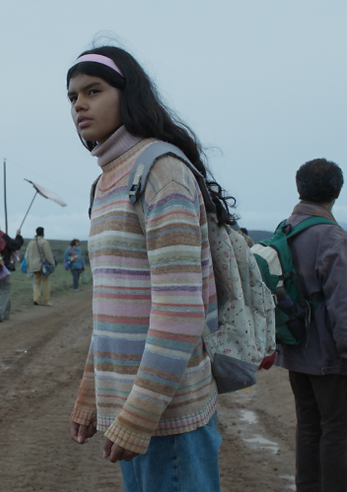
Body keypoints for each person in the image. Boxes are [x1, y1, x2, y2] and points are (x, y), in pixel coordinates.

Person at [66, 46, 238, 492]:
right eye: (72, 97)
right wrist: (91, 395)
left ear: (129, 95)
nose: (79, 104)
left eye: (93, 90)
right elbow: (110, 308)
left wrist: (139, 416)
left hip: (170, 415)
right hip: (132, 409)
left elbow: (181, 312)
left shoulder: (160, 171)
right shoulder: (107, 179)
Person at [274, 158, 347, 492]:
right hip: (328, 358)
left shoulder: (285, 229)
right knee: (338, 431)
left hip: (295, 347)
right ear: (336, 191)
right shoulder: (333, 237)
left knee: (309, 426)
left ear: (300, 188)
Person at [0, 218, 23, 322]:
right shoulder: (2, 236)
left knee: (2, 291)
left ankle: (5, 314)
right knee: (5, 290)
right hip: (3, 267)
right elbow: (15, 245)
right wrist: (18, 236)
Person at [25, 226, 55, 306]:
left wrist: (29, 265)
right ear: (43, 233)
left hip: (33, 266)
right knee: (45, 283)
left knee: (36, 283)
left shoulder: (30, 243)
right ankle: (45, 300)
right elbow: (48, 254)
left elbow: (28, 255)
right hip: (42, 265)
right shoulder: (44, 242)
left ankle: (36, 298)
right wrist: (52, 264)